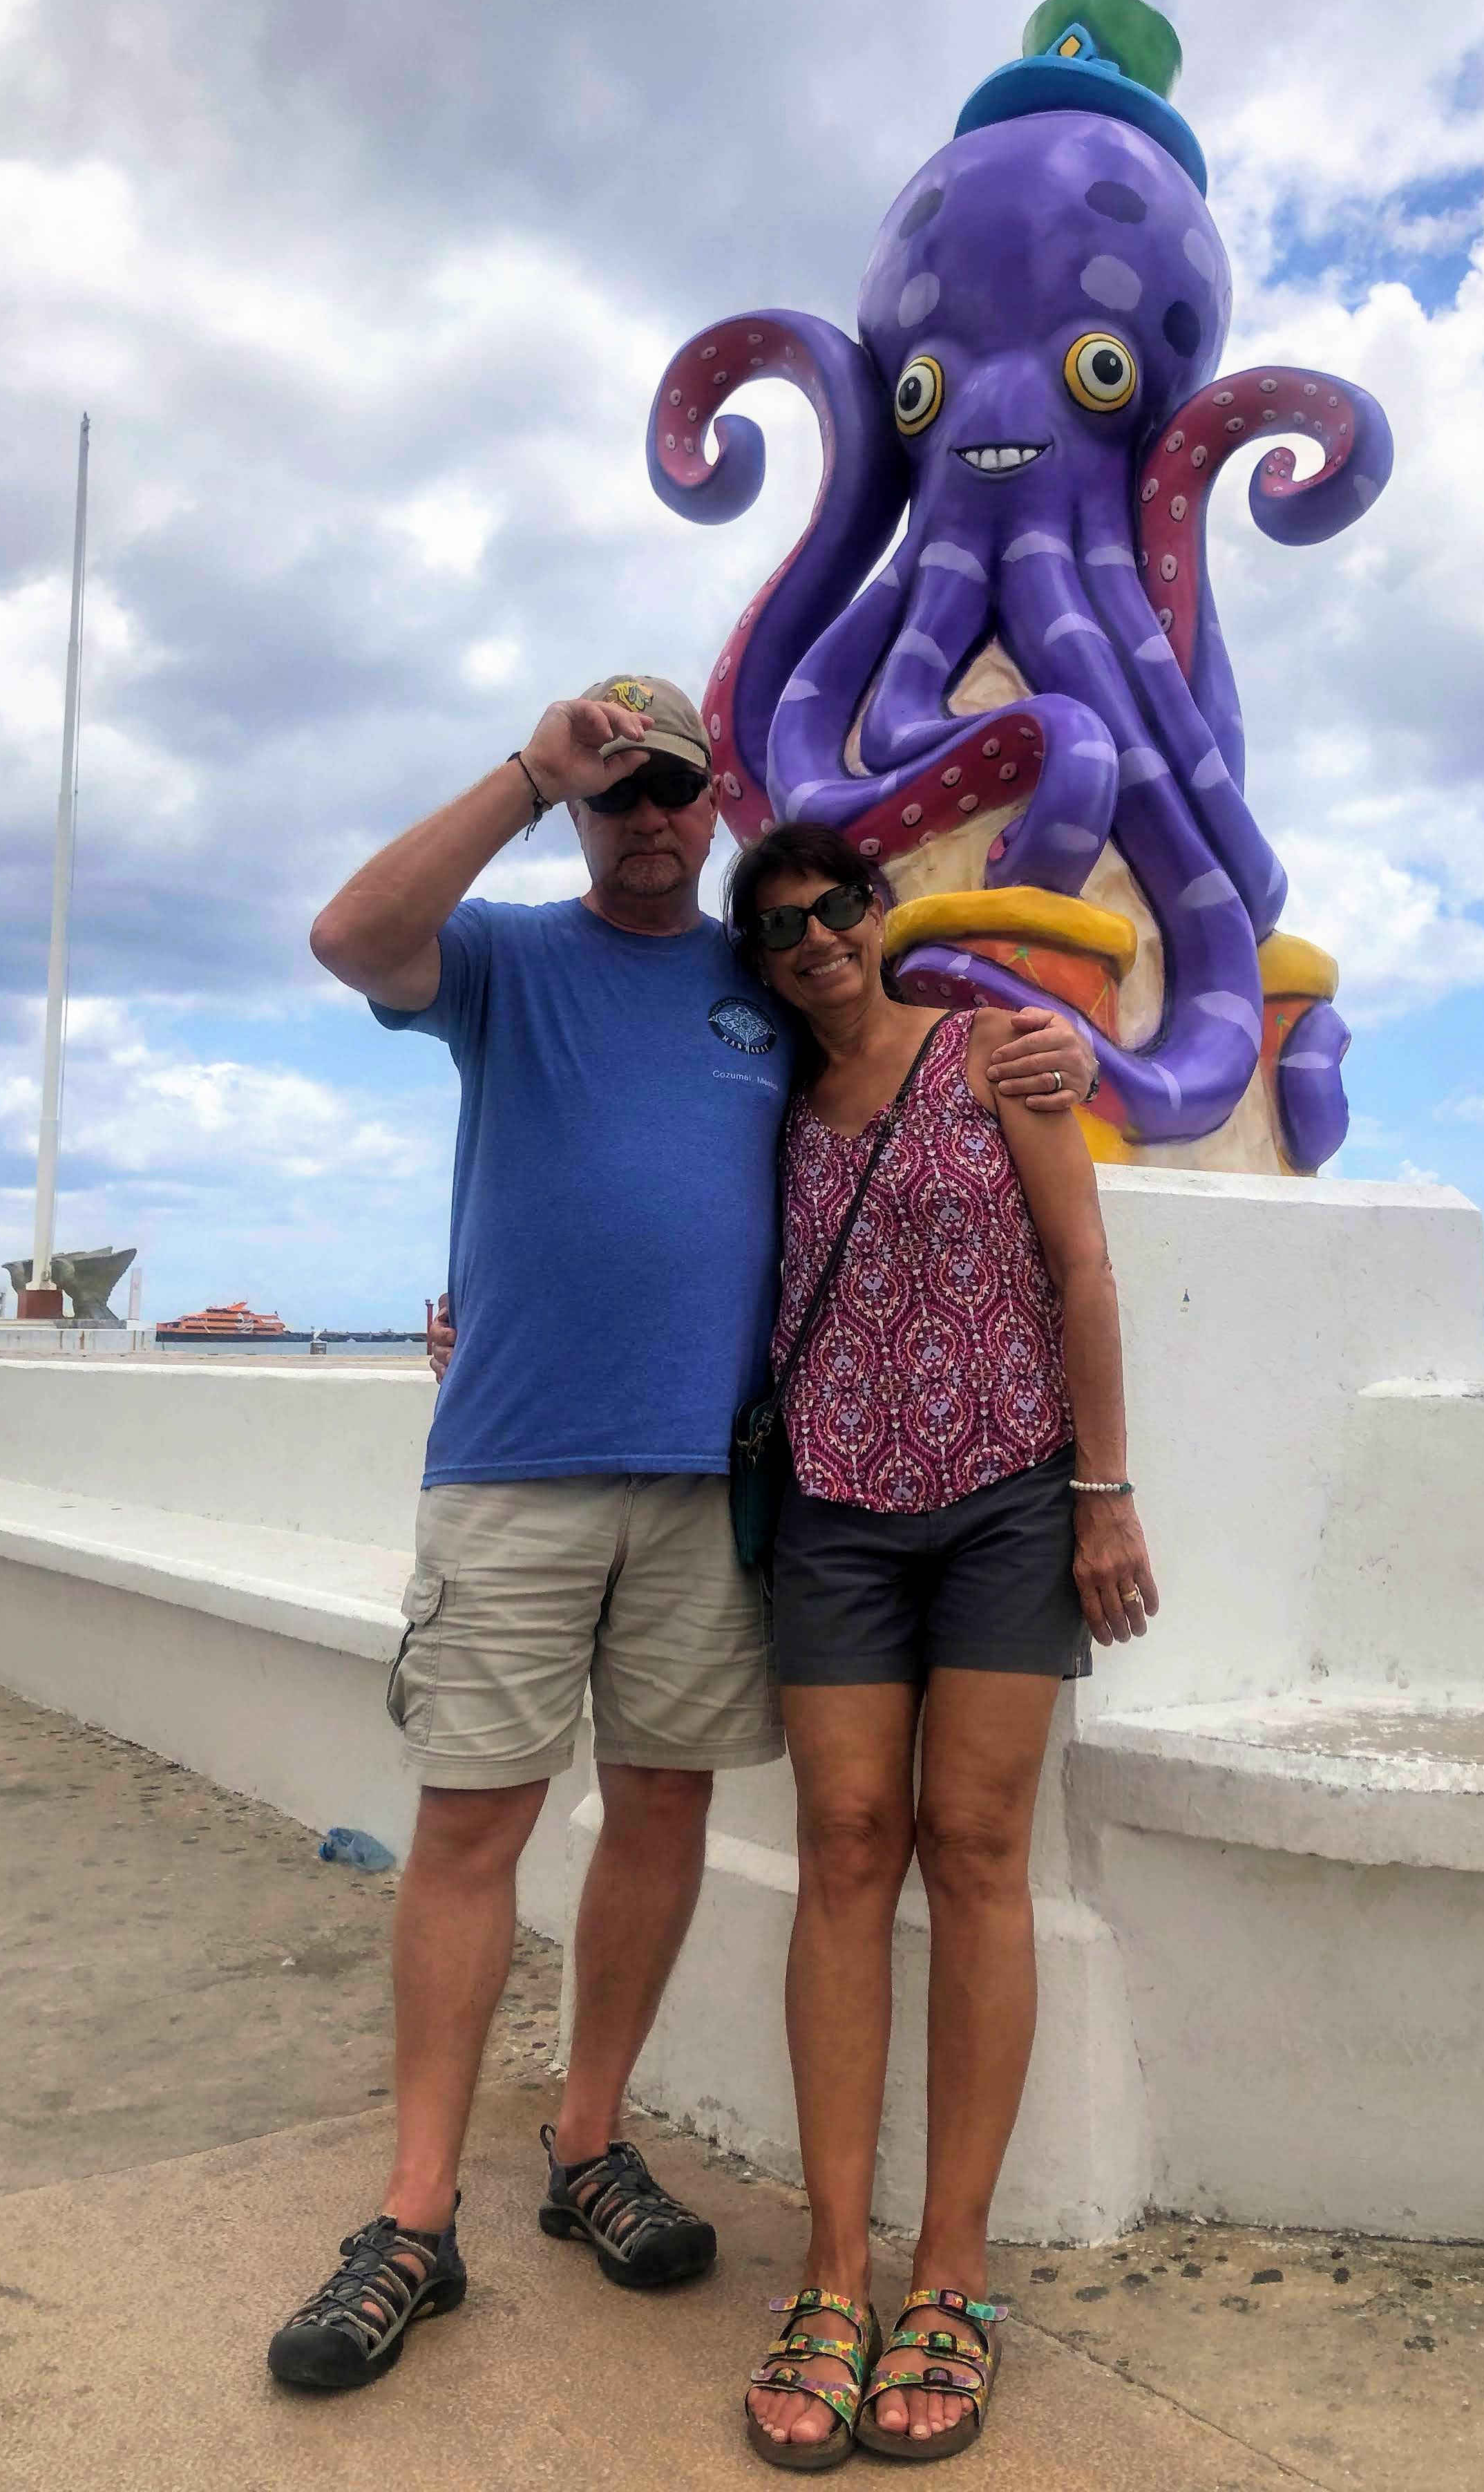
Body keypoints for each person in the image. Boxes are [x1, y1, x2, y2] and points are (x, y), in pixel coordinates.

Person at [269, 675, 1093, 2393]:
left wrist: (1039, 1041)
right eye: (615, 792)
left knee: (660, 1806)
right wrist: (525, 766)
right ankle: (415, 2218)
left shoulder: (758, 979)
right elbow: (353, 935)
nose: (647, 819)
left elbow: (883, 1034)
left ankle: (585, 2148)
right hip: (512, 1461)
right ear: (583, 805)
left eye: (674, 793)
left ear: (714, 810)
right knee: (476, 1816)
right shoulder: (501, 960)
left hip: (721, 1482)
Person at [728, 821, 1157, 2469]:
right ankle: (832, 2281)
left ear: (881, 915)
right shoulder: (769, 1106)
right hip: (833, 1503)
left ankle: (950, 2281)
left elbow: (1085, 1271)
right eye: (778, 927)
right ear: (758, 961)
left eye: (836, 908)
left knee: (976, 1847)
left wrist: (1104, 1494)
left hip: (1004, 1499)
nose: (815, 939)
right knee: (846, 1845)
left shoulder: (994, 1055)